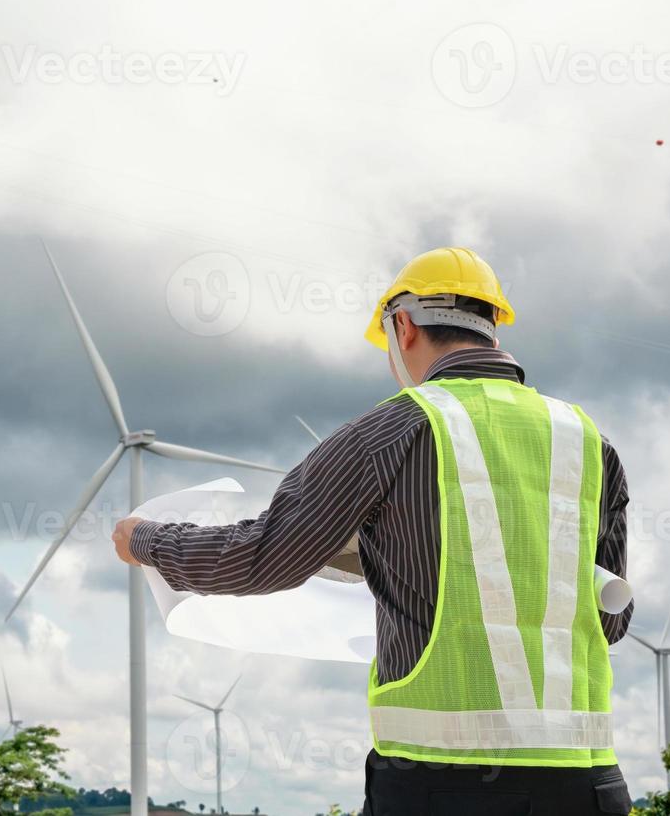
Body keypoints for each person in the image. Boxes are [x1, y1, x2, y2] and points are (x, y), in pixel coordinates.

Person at [110, 247, 634, 815]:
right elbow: (610, 619)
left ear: (403, 326)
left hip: (440, 787)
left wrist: (145, 540)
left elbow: (260, 557)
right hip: (588, 785)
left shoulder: (390, 433)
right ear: (491, 327)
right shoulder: (588, 443)